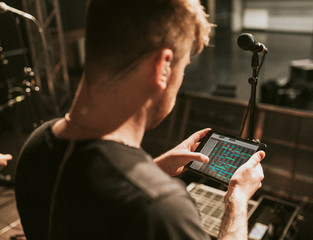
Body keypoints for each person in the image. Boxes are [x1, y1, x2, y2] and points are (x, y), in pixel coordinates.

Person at [15, 0, 265, 239]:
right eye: (184, 68)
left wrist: (156, 170)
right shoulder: (160, 207)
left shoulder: (37, 145)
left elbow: (94, 199)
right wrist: (238, 200)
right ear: (163, 67)